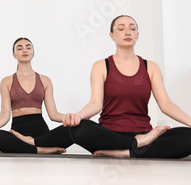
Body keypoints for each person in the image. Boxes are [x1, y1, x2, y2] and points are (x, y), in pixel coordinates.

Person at [63, 15, 191, 158]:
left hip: (145, 134)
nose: (128, 32)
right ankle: (135, 145)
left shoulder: (151, 67)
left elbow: (166, 104)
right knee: (79, 129)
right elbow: (95, 103)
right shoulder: (101, 66)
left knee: (189, 136)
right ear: (112, 35)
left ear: (137, 35)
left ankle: (127, 152)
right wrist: (77, 117)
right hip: (109, 136)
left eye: (132, 28)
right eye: (121, 28)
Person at [0, 37, 72, 154]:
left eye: (28, 47)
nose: (24, 50)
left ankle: (34, 144)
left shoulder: (45, 80)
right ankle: (40, 150)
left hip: (41, 133)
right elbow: (5, 113)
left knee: (76, 129)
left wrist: (74, 119)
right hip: (18, 133)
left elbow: (53, 114)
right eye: (19, 48)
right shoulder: (7, 81)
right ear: (14, 55)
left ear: (33, 53)